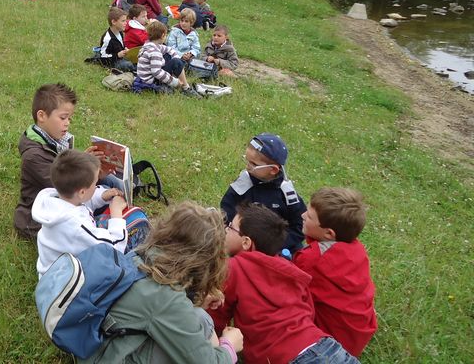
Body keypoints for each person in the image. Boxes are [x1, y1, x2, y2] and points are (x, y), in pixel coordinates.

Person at [79, 201, 243, 364]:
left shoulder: (144, 254)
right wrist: (229, 346)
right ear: (205, 261)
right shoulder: (167, 298)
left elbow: (154, 307)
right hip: (105, 358)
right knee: (204, 325)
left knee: (200, 317)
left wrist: (194, 302)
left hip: (96, 345)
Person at [209, 203, 359, 364]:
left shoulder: (234, 267)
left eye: (231, 227)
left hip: (290, 357)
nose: (225, 230)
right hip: (327, 346)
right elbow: (309, 310)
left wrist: (217, 347)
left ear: (246, 242)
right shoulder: (290, 269)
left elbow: (215, 315)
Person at [14, 84, 118, 239]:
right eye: (63, 118)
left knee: (109, 182)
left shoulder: (54, 140)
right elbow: (65, 186)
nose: (67, 123)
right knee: (106, 193)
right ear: (42, 116)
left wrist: (91, 168)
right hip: (43, 218)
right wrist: (87, 168)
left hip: (64, 199)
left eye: (69, 118)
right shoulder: (33, 156)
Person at [293, 188, 377, 357]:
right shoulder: (357, 249)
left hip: (328, 344)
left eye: (309, 216)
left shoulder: (313, 258)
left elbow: (289, 287)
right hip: (356, 336)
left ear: (329, 233)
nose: (303, 215)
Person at [33, 150, 128, 276]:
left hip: (54, 273)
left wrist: (102, 196)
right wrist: (116, 213)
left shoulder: (53, 199)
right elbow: (114, 249)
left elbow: (80, 202)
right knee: (130, 250)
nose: (96, 186)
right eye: (95, 184)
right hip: (69, 282)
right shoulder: (77, 226)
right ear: (82, 192)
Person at [220, 134, 307, 254]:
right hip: (245, 245)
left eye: (254, 164)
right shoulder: (244, 183)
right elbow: (226, 210)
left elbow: (299, 225)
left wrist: (278, 247)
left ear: (273, 169)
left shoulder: (286, 192)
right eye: (247, 161)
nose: (248, 166)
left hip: (277, 250)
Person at [135, 20, 198, 96]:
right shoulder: (154, 52)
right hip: (150, 81)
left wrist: (176, 57)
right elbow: (157, 72)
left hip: (146, 78)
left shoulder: (150, 45)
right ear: (162, 35)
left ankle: (183, 83)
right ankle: (186, 87)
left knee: (174, 59)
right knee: (177, 63)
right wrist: (174, 81)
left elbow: (168, 49)